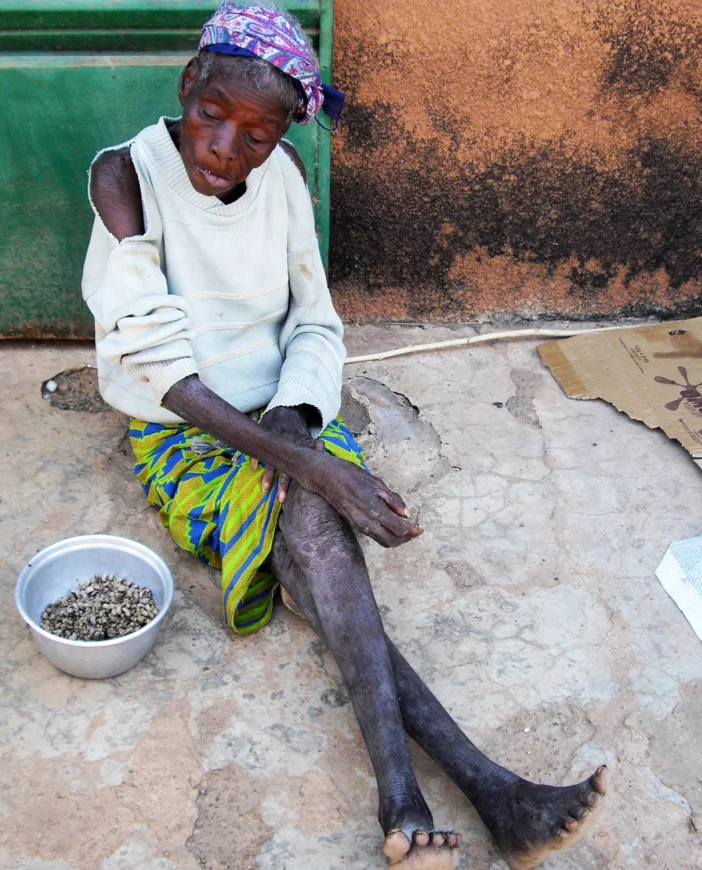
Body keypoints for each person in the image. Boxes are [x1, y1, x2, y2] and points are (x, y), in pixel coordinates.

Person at [81, 4, 608, 867]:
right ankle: (458, 787)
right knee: (324, 531)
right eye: (213, 115)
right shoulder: (125, 179)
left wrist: (296, 420)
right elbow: (155, 367)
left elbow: (315, 322)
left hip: (282, 412)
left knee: (324, 559)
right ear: (188, 84)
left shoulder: (282, 174)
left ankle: (429, 798)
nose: (225, 148)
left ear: (286, 132)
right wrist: (313, 468)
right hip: (181, 425)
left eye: (257, 133)